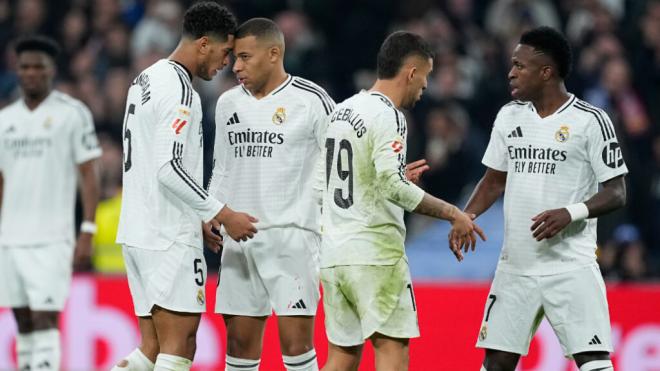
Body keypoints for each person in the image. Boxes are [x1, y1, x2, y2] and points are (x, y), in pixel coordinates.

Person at [455, 26, 627, 371]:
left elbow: (617, 191)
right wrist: (465, 217)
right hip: (516, 267)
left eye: (519, 65)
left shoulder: (591, 121)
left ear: (546, 72)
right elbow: (493, 181)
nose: (511, 72)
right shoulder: (509, 116)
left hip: (571, 266)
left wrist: (571, 212)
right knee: (496, 364)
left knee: (593, 362)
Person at [319, 31, 485, 371]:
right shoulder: (389, 115)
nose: (425, 87)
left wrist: (391, 179)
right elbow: (394, 188)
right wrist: (453, 213)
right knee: (392, 351)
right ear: (411, 72)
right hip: (375, 255)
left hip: (335, 253)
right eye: (425, 76)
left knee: (342, 358)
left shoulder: (342, 110)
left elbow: (339, 179)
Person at [113, 3, 257, 371]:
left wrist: (197, 216)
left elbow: (149, 162)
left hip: (138, 229)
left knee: (150, 348)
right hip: (166, 237)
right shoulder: (180, 90)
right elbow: (168, 167)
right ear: (204, 44)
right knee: (180, 344)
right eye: (225, 52)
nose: (227, 62)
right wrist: (222, 213)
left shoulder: (145, 78)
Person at [206, 17, 332, 371]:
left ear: (274, 53)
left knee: (295, 347)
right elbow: (222, 167)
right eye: (234, 58)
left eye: (245, 57)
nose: (236, 66)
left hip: (292, 237)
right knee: (239, 346)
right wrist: (210, 212)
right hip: (239, 238)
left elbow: (337, 165)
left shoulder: (312, 100)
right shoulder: (228, 103)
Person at [0, 36, 101, 371]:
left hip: (52, 237)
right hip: (11, 238)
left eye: (37, 67)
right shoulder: (5, 120)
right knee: (24, 321)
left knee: (45, 319)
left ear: (51, 70)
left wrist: (87, 229)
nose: (30, 74)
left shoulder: (72, 113)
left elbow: (88, 173)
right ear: (17, 71)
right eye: (24, 67)